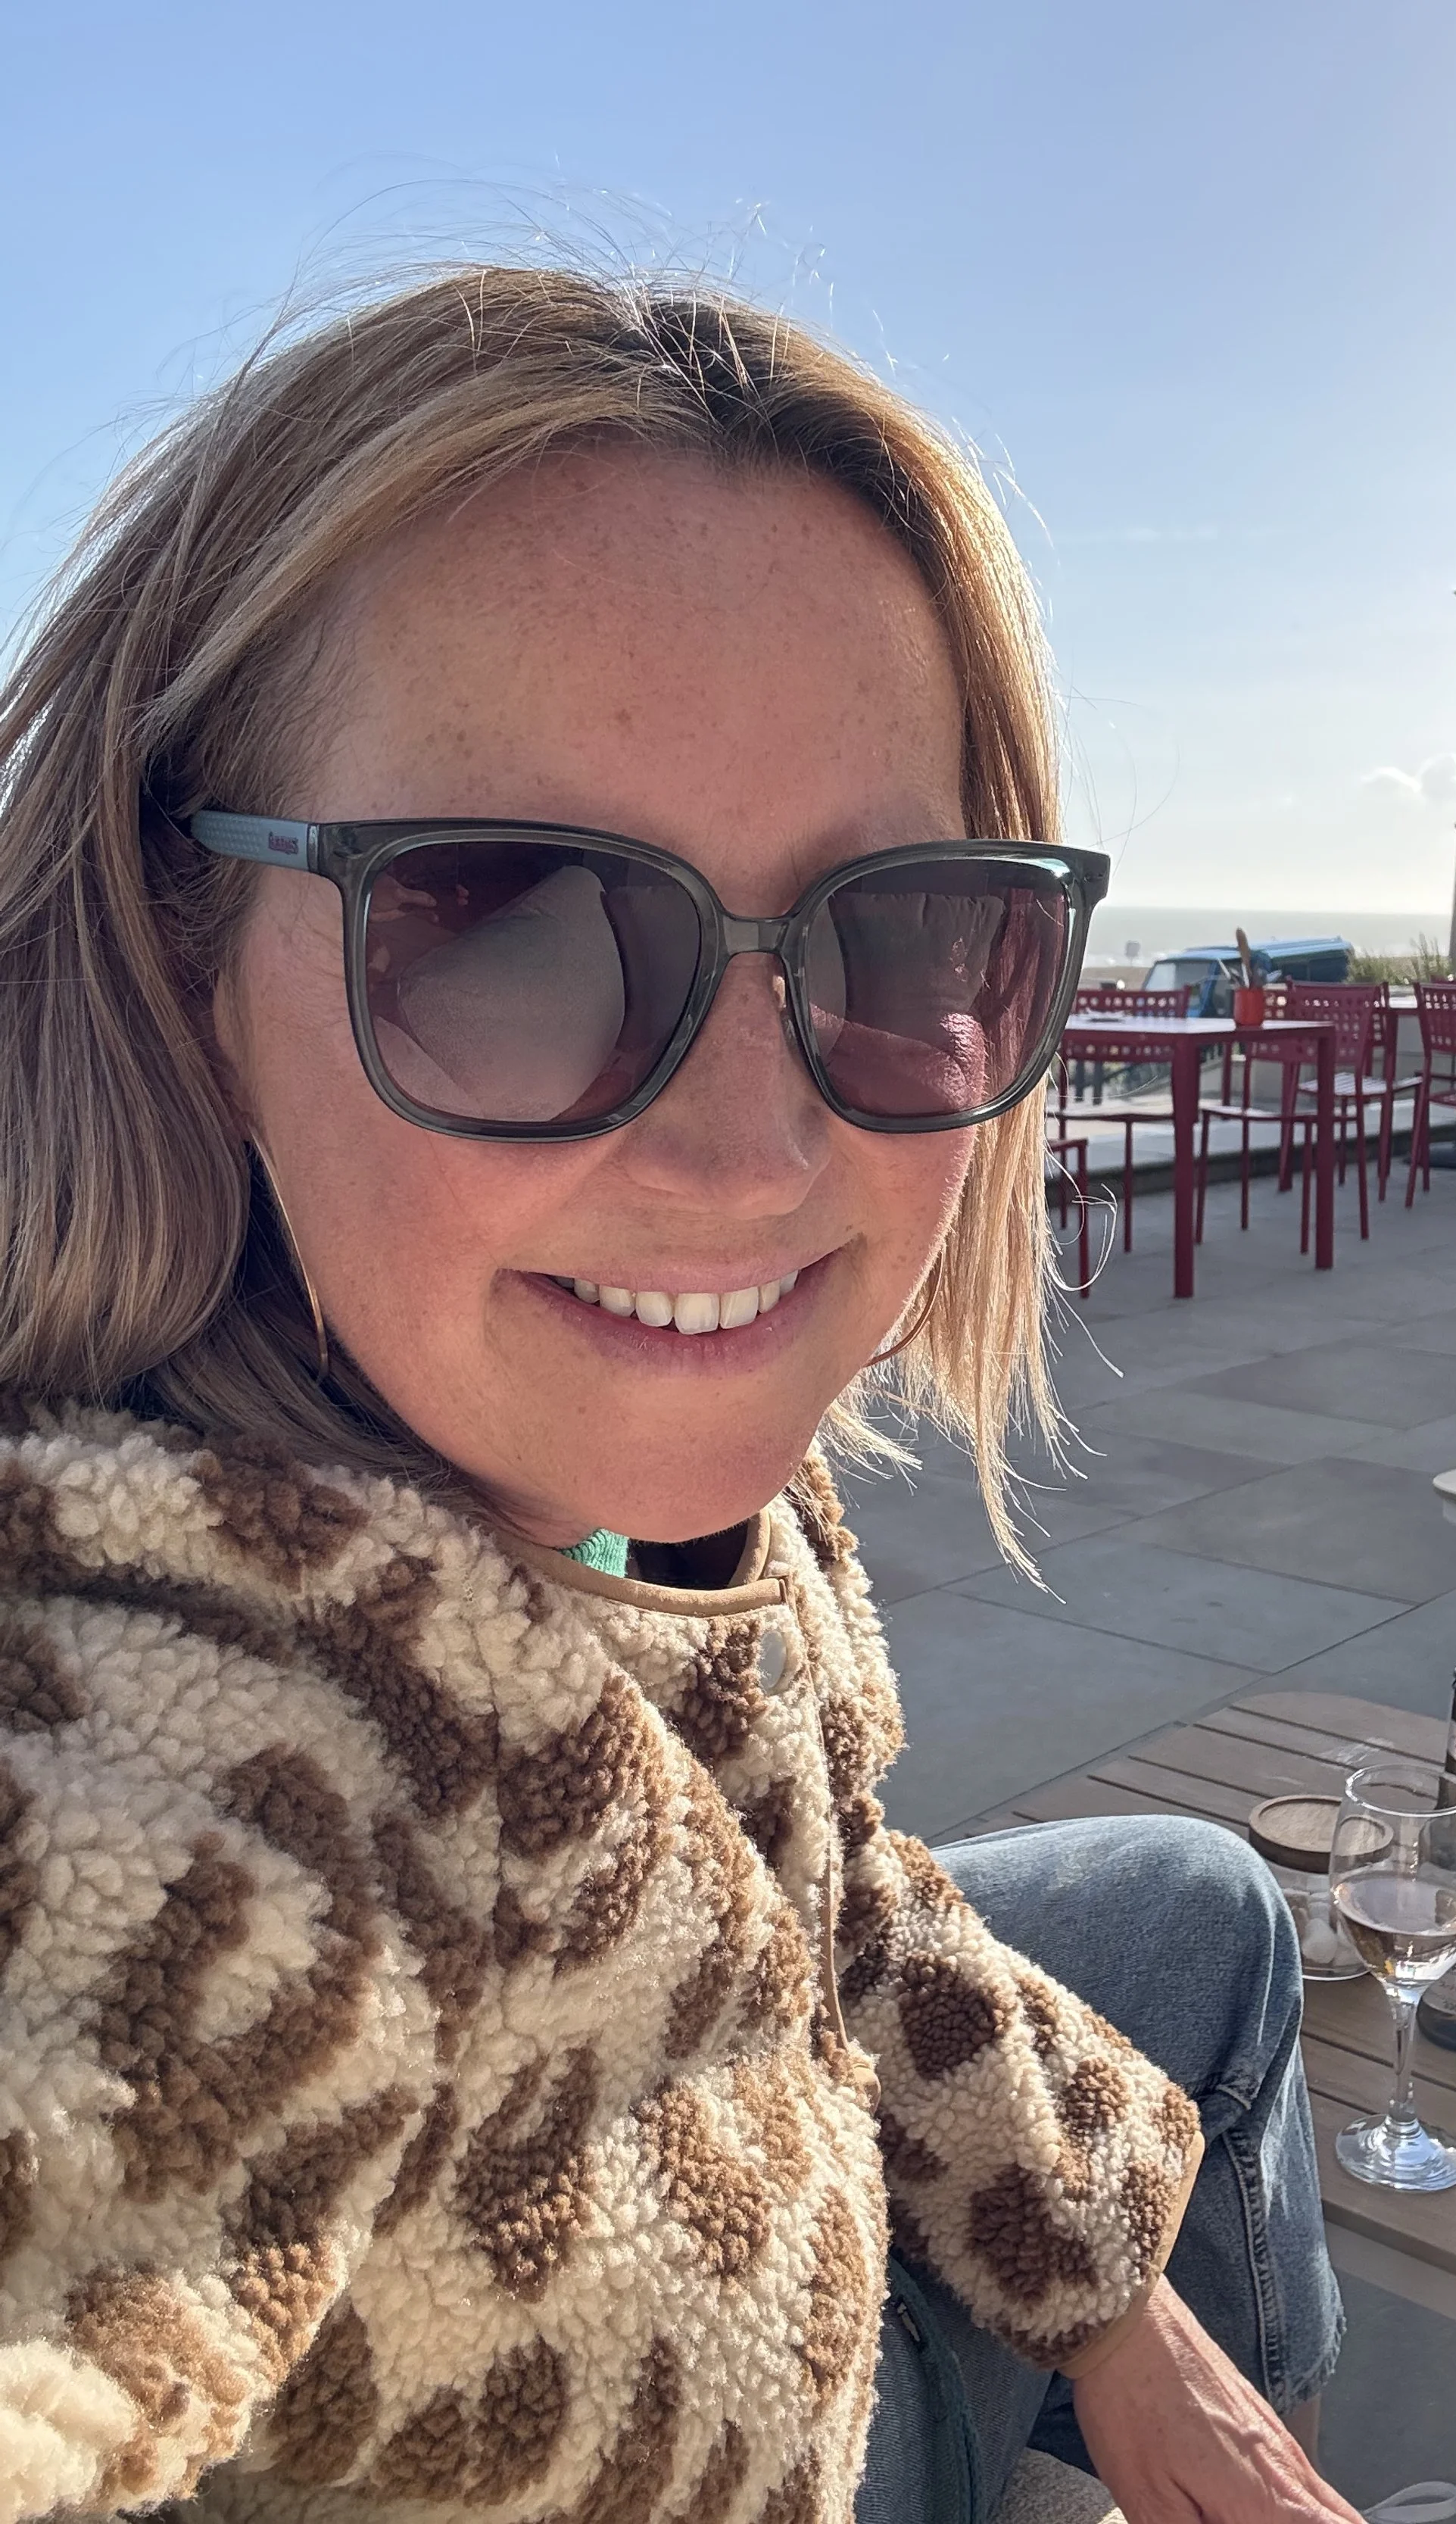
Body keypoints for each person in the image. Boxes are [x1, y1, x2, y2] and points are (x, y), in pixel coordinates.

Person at [0, 267, 1357, 2524]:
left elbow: (816, 1879)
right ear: (175, 946)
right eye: (505, 916)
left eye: (905, 932)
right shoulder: (185, 1709)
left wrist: (1128, 2314)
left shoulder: (617, 1463)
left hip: (794, 2242)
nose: (750, 1160)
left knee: (1206, 1903)